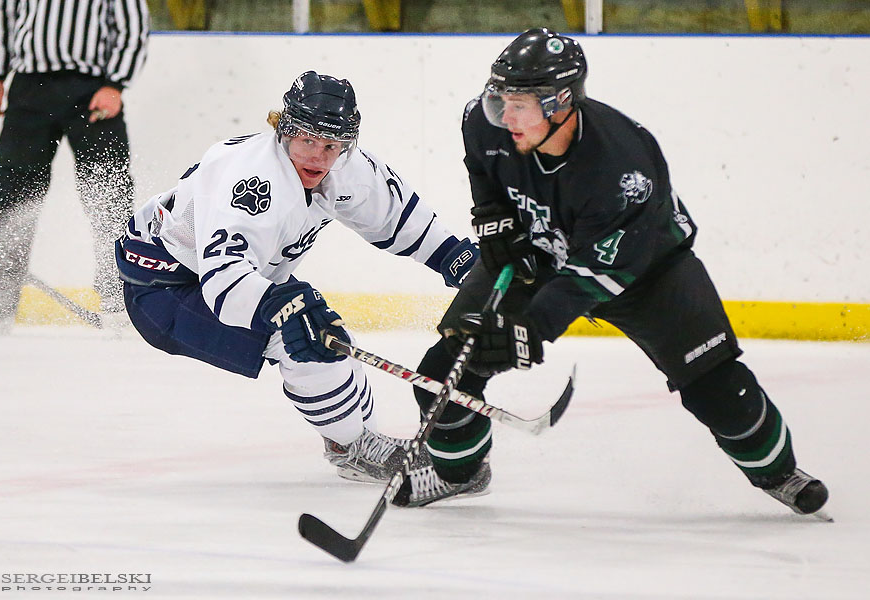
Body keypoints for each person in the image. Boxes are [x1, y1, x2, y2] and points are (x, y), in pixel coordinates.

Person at [394, 28, 829, 518]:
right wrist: (495, 220)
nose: (504, 116)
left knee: (716, 389)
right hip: (538, 252)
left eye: (519, 105)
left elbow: (592, 273)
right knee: (443, 371)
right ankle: (460, 474)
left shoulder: (624, 168)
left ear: (560, 103)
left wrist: (530, 328)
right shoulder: (486, 120)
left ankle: (779, 474)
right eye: (501, 100)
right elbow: (484, 165)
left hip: (648, 269)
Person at [115, 71, 479, 483]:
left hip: (229, 275)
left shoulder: (348, 168)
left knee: (327, 335)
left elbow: (399, 219)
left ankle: (356, 442)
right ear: (284, 130)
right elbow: (224, 284)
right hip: (167, 288)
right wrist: (282, 307)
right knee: (304, 342)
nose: (318, 157)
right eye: (307, 140)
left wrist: (457, 259)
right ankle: (355, 448)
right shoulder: (252, 181)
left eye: (331, 145)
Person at [0, 0, 149, 334]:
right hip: (29, 89)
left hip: (93, 88)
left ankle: (118, 292)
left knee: (108, 189)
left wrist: (115, 84)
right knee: (14, 187)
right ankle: (4, 289)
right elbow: (4, 18)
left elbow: (132, 29)